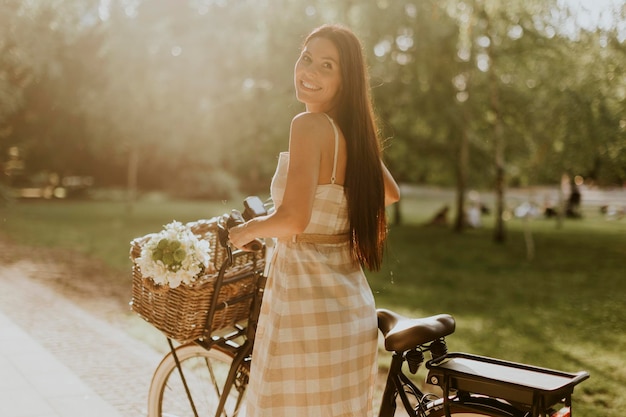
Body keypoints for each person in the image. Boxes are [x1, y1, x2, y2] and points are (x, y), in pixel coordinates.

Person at [228, 23, 400, 417]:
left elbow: (292, 218)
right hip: (350, 314)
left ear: (346, 80)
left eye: (327, 66)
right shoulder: (353, 136)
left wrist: (246, 231)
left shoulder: (308, 125)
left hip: (304, 307)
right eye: (307, 58)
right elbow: (390, 193)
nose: (309, 72)